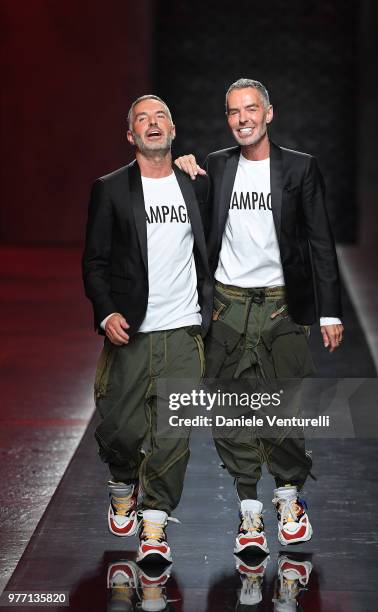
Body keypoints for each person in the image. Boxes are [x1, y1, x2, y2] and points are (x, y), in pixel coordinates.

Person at [175, 78, 343, 554]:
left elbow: (320, 241)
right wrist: (184, 172)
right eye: (233, 112)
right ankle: (250, 512)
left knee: (282, 409)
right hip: (227, 306)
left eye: (251, 109)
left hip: (281, 307)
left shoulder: (300, 168)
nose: (243, 118)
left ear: (269, 113)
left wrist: (329, 310)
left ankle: (289, 498)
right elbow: (194, 217)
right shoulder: (215, 165)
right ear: (227, 119)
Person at [82, 95, 212, 564]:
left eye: (160, 117)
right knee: (121, 427)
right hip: (131, 331)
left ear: (173, 130)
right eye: (142, 119)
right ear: (131, 135)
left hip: (183, 329)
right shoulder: (112, 188)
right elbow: (95, 262)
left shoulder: (195, 184)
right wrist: (106, 311)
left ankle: (154, 527)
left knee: (172, 436)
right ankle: (122, 479)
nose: (152, 124)